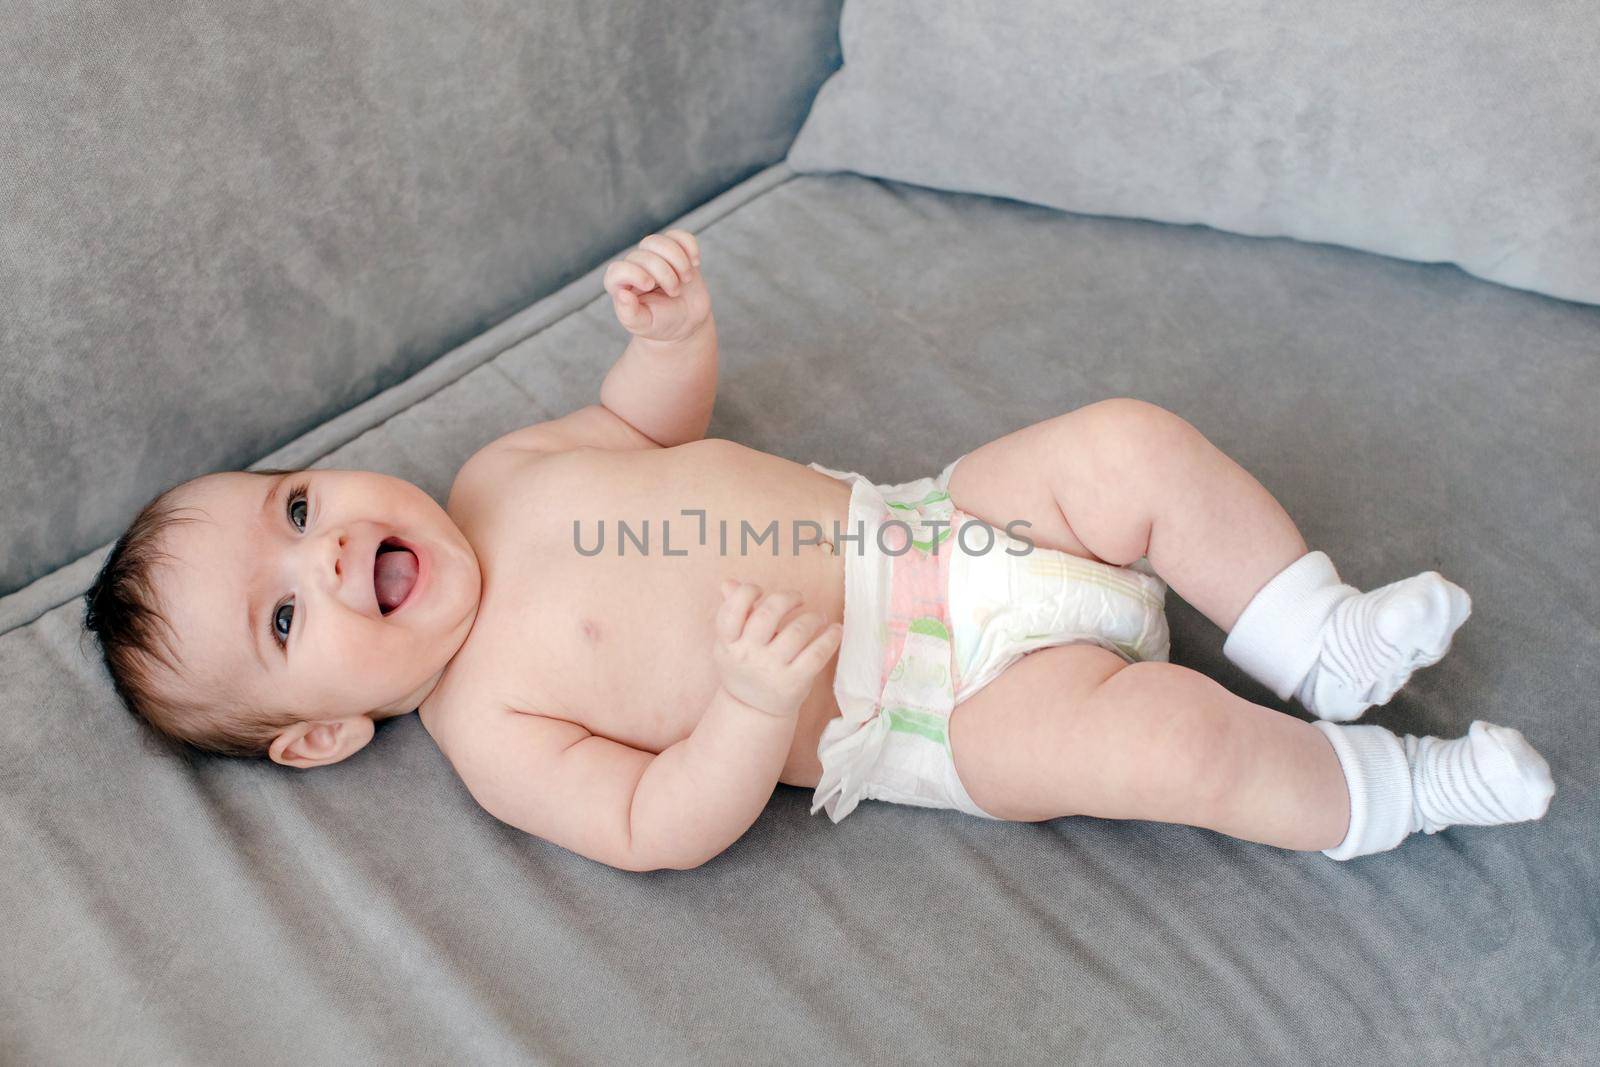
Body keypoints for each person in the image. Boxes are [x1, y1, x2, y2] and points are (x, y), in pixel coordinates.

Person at [82, 230, 1554, 872]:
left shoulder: (502, 473)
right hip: (931, 711)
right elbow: (657, 826)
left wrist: (673, 341)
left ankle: (1321, 636)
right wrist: (738, 710)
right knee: (1180, 753)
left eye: (292, 508)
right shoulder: (489, 728)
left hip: (941, 523)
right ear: (325, 734)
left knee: (1128, 443)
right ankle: (1406, 790)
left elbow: (639, 423)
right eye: (285, 621)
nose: (330, 554)